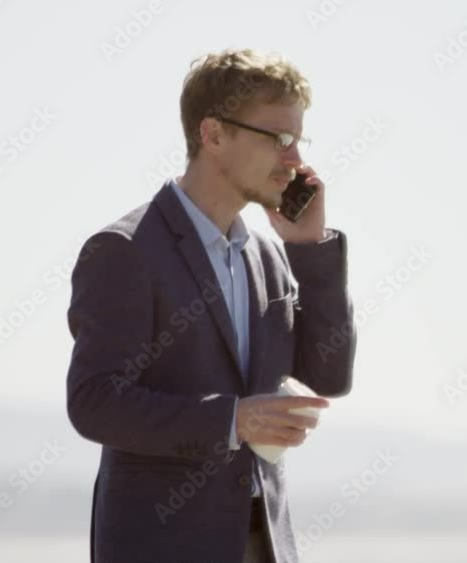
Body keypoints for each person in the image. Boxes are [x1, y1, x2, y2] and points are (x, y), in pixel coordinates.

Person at [65, 48, 356, 563]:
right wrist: (233, 421)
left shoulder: (267, 257)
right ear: (214, 134)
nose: (294, 160)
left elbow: (329, 375)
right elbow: (94, 402)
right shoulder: (125, 250)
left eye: (299, 140)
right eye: (279, 139)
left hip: (263, 543)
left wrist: (310, 252)